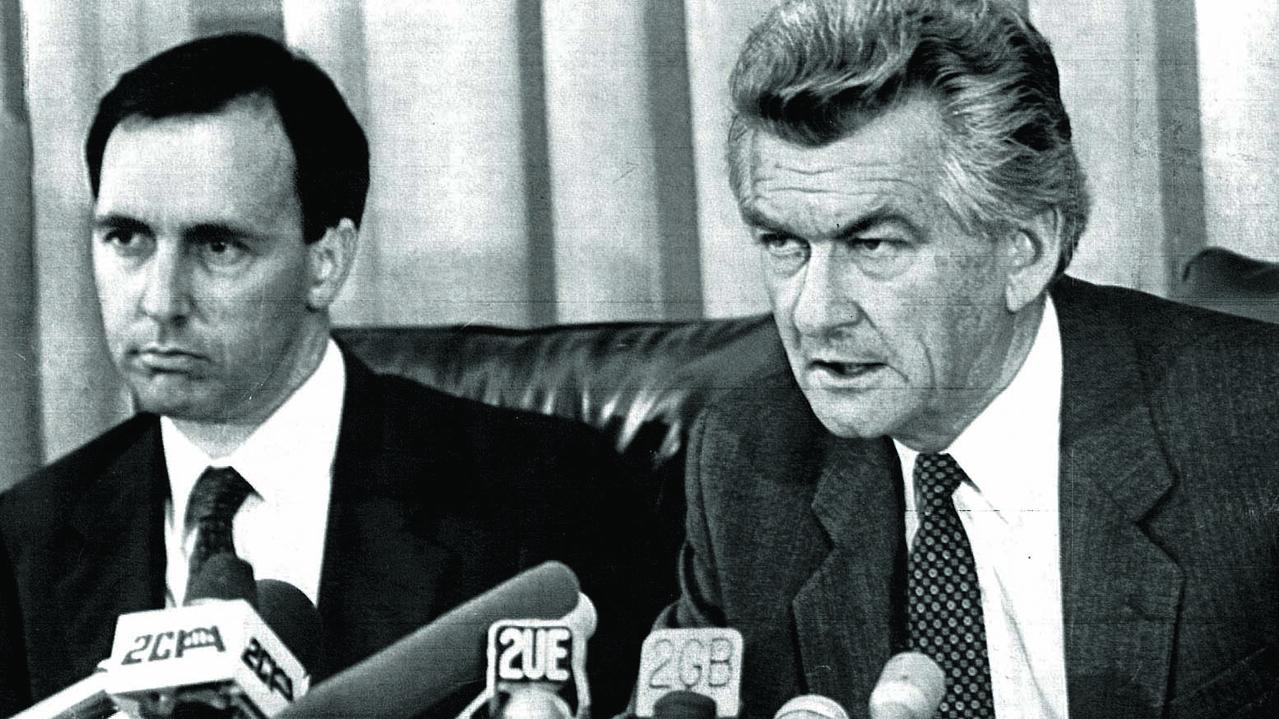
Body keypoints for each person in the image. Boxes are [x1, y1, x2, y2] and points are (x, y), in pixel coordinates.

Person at [0, 33, 668, 716]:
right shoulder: (27, 541)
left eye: (218, 245)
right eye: (127, 239)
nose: (160, 300)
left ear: (326, 261)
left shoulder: (544, 493)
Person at [659, 1, 1279, 718]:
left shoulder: (1257, 432)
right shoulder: (748, 464)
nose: (812, 311)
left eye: (873, 245)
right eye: (782, 245)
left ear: (1024, 249)